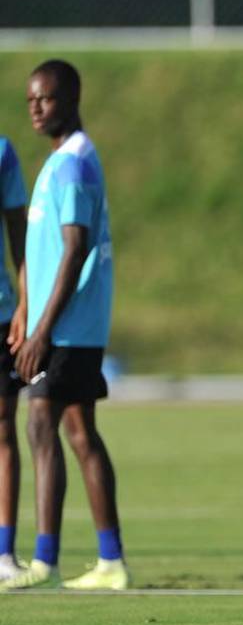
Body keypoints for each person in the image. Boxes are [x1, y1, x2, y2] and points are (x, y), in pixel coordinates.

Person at [5, 59, 128, 591]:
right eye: (31, 100)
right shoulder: (60, 161)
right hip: (62, 324)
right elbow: (41, 251)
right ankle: (110, 562)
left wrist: (41, 331)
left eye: (47, 99)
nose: (36, 108)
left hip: (68, 327)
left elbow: (75, 250)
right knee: (79, 432)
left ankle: (45, 562)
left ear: (72, 100)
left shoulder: (75, 164)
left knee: (40, 424)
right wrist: (24, 311)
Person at [0, 135, 28, 581]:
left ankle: (3, 553)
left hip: (1, 313)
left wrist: (27, 304)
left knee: (3, 428)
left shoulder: (2, 153)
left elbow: (20, 239)